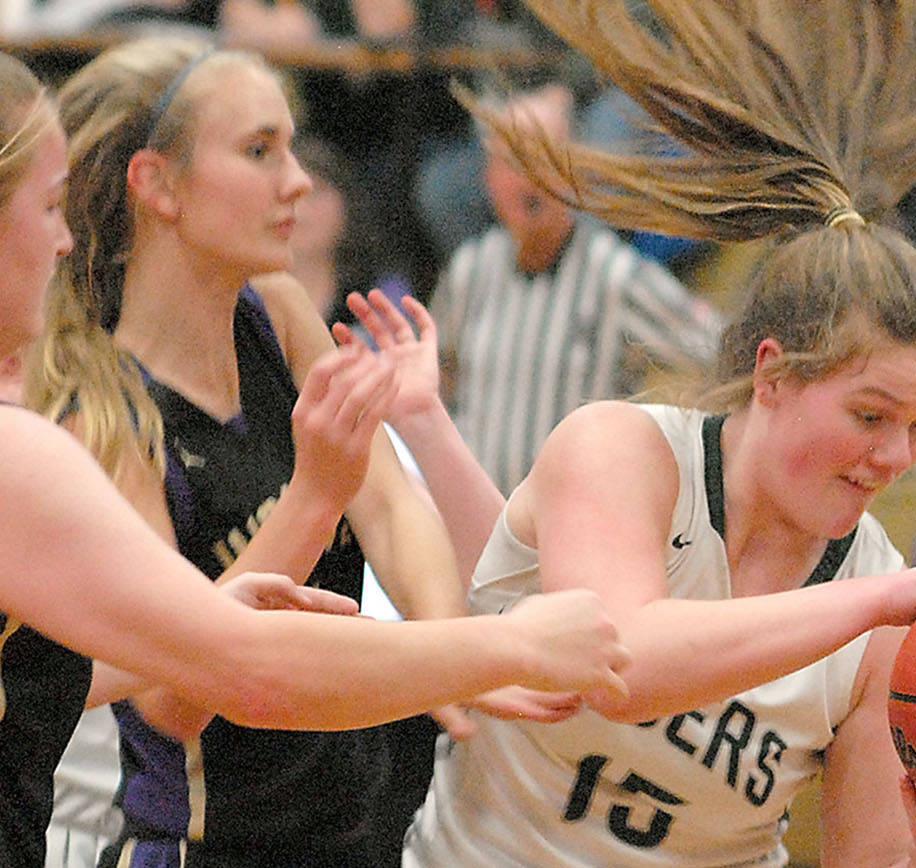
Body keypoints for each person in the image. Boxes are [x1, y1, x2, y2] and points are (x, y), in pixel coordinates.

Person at [341, 1, 916, 865]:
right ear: (772, 375)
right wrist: (878, 604)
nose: (894, 457)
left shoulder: (881, 605)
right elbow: (625, 667)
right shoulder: (623, 451)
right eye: (870, 415)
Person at [0, 46, 630, 868]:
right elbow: (186, 691)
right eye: (260, 150)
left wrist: (451, 647)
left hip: (347, 814)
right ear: (157, 185)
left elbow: (390, 505)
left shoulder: (275, 311)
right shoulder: (101, 418)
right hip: (207, 841)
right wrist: (317, 502)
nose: (298, 181)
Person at [431, 81, 721, 494]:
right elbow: (438, 376)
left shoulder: (614, 276)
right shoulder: (469, 271)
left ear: (575, 171)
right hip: (477, 520)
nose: (528, 178)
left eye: (543, 158)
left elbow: (718, 350)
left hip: (574, 519)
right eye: (511, 161)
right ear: (488, 178)